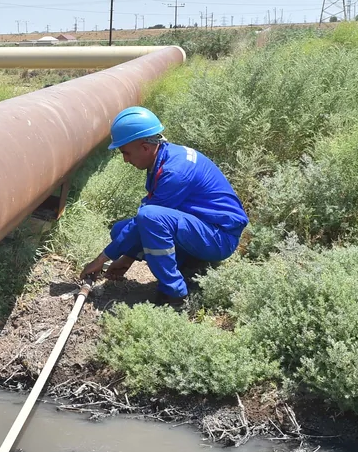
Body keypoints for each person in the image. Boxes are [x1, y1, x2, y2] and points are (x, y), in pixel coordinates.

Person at [80, 106, 248, 310]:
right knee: (120, 230)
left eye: (126, 152)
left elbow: (149, 217)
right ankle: (186, 265)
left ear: (144, 147)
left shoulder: (175, 172)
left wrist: (101, 259)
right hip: (201, 227)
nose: (125, 159)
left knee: (149, 217)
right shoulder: (165, 158)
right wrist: (126, 258)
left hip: (219, 237)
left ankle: (176, 296)